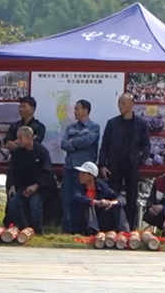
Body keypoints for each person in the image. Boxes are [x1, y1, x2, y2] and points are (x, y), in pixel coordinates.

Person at [98, 93, 151, 231]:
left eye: (122, 103)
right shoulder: (112, 123)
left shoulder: (141, 124)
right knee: (112, 195)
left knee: (132, 197)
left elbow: (146, 146)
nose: (119, 106)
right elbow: (105, 145)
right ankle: (112, 227)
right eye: (119, 103)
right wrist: (102, 164)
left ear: (131, 104)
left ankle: (129, 228)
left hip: (132, 166)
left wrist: (140, 160)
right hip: (114, 166)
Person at [5, 127, 55, 235]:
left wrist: (36, 186)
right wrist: (13, 185)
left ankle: (38, 230)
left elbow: (48, 172)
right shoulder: (17, 153)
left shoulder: (41, 151)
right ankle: (22, 227)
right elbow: (13, 171)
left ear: (29, 137)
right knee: (14, 202)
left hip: (40, 187)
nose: (17, 141)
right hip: (23, 186)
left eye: (20, 138)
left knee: (35, 203)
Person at [60, 100, 100, 234]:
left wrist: (73, 142)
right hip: (69, 167)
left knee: (82, 199)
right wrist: (76, 144)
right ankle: (67, 228)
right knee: (67, 198)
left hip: (84, 171)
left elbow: (88, 141)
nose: (75, 111)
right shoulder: (70, 127)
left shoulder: (94, 127)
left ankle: (83, 227)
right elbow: (64, 144)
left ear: (86, 110)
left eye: (77, 109)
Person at [71, 161, 129, 236]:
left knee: (117, 206)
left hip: (100, 219)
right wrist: (95, 202)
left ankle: (124, 233)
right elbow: (77, 197)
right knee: (89, 204)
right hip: (82, 221)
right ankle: (92, 232)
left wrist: (112, 203)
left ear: (91, 176)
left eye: (83, 173)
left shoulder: (102, 186)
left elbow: (121, 198)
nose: (80, 175)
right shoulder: (77, 186)